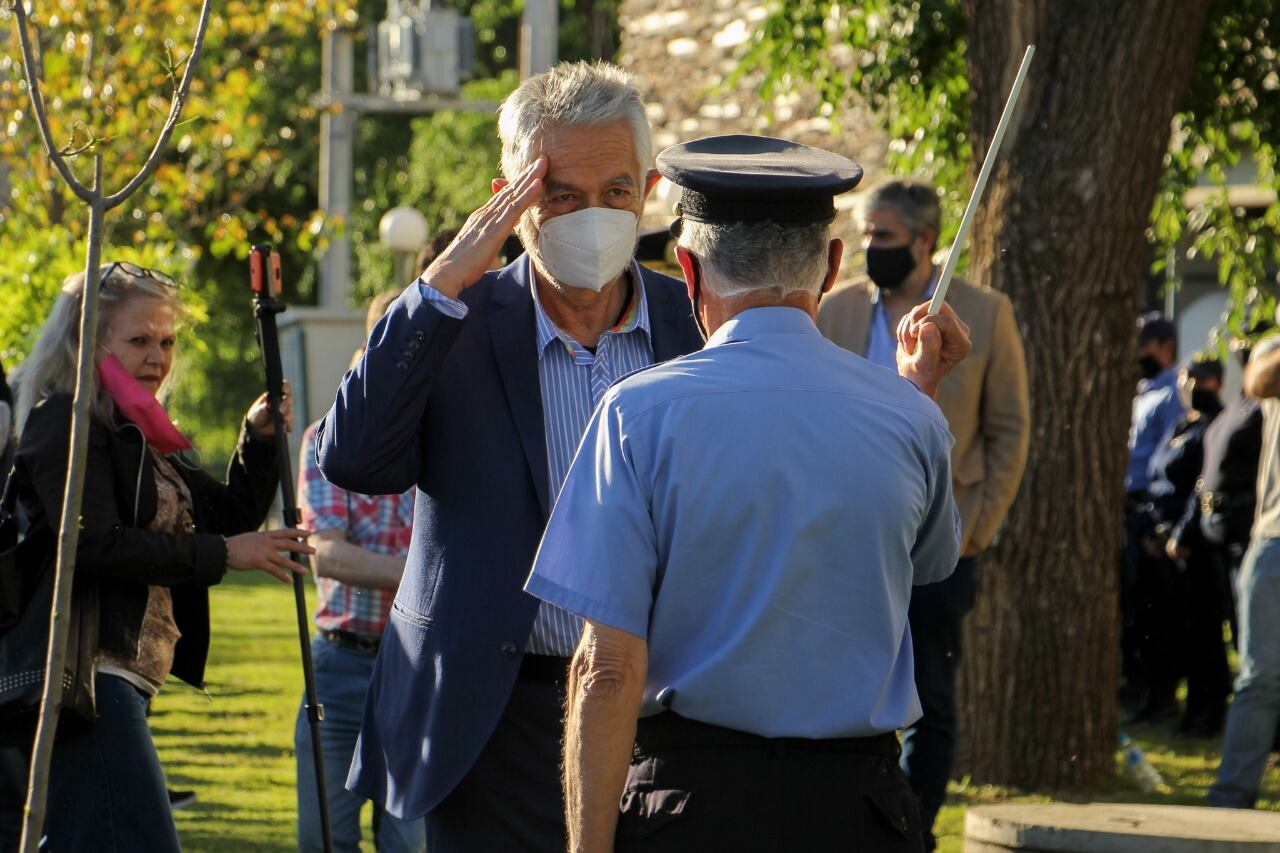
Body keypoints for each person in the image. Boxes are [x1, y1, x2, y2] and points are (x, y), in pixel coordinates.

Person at [524, 134, 972, 852]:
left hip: (693, 808)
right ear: (830, 265)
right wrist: (916, 396)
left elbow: (606, 666)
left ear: (689, 270)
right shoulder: (911, 416)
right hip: (858, 812)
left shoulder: (637, 415)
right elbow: (929, 564)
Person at [316, 61, 703, 851]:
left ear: (650, 187)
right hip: (488, 721)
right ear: (511, 194)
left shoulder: (694, 325)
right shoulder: (454, 322)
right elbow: (354, 458)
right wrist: (442, 280)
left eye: (616, 192)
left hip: (663, 720)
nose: (591, 215)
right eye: (560, 194)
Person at [4, 263, 313, 852]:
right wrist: (224, 555)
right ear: (87, 343)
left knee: (85, 839)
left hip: (126, 680)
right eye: (139, 340)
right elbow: (93, 544)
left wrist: (259, 437)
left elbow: (226, 516)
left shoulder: (143, 432)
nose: (158, 357)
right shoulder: (67, 423)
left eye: (166, 341)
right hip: (88, 676)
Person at [815, 178, 1030, 849]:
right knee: (843, 683)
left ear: (926, 240)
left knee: (931, 699)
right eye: (865, 233)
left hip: (942, 544)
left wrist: (978, 527)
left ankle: (916, 830)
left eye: (881, 235)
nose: (867, 247)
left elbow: (1010, 428)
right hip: (846, 539)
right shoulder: (836, 307)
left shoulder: (985, 312)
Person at [295, 290, 425, 853]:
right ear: (371, 345)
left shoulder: (444, 431)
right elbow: (326, 553)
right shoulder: (328, 437)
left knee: (407, 842)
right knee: (326, 838)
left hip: (415, 665)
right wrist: (425, 574)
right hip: (341, 666)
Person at [1209, 323, 1280, 808]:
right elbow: (1259, 382)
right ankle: (1231, 802)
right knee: (1260, 678)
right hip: (1276, 541)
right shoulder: (1274, 348)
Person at [1147, 359, 1230, 736]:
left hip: (1197, 545)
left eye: (1200, 379)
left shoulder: (1215, 424)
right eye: (1187, 379)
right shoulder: (1183, 424)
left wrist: (1182, 533)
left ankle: (1208, 712)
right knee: (1172, 629)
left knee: (1204, 632)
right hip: (1165, 541)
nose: (1191, 386)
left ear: (1217, 382)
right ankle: (1177, 707)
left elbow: (1204, 486)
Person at [1121, 312, 1185, 718]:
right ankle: (1138, 686)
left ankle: (1159, 695)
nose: (1137, 353)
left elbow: (1171, 458)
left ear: (1163, 348)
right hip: (1129, 507)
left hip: (1152, 506)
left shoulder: (1173, 392)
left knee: (1155, 608)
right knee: (1133, 603)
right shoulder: (1142, 391)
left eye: (1143, 345)